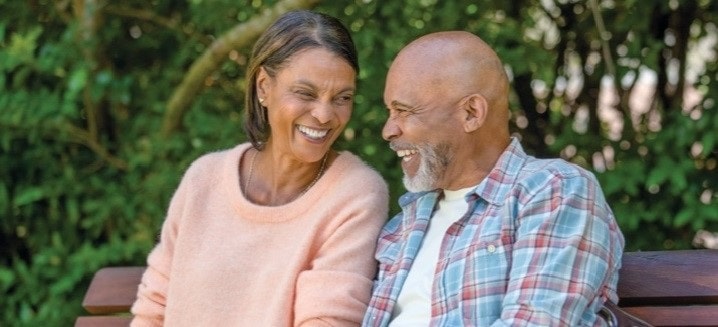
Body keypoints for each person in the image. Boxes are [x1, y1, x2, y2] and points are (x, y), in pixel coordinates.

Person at [130, 10, 389, 326]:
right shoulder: (204, 178)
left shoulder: (355, 193)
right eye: (305, 93)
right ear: (264, 87)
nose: (324, 114)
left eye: (342, 97)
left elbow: (328, 321)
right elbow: (153, 308)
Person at [362, 31, 625, 326]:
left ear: (472, 113)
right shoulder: (403, 225)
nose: (388, 130)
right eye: (390, 111)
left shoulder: (553, 190)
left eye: (404, 110)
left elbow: (535, 322)